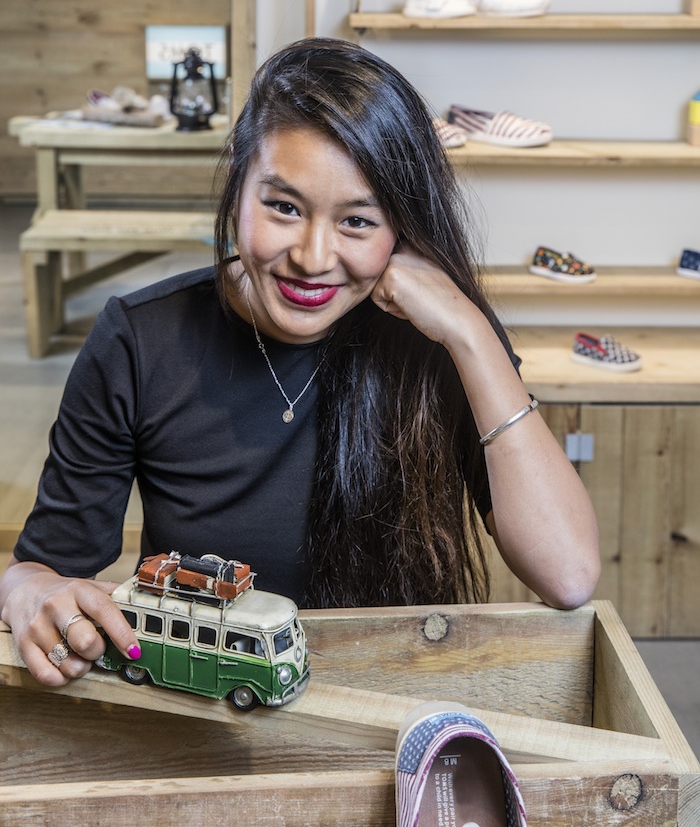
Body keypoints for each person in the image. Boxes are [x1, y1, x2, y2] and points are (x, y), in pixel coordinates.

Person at [0, 37, 600, 687]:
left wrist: (472, 334)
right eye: (284, 208)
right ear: (237, 185)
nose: (313, 258)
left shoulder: (442, 338)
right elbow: (45, 568)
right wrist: (27, 589)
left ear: (402, 229)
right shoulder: (139, 339)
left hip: (392, 697)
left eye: (358, 222)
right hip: (216, 698)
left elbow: (567, 574)